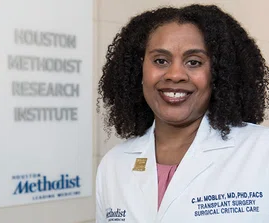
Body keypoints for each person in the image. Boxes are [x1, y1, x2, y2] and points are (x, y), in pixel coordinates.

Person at [96, 4, 269, 222]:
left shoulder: (262, 152)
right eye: (160, 60)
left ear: (219, 74)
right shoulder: (113, 165)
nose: (175, 74)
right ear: (139, 70)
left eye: (194, 62)